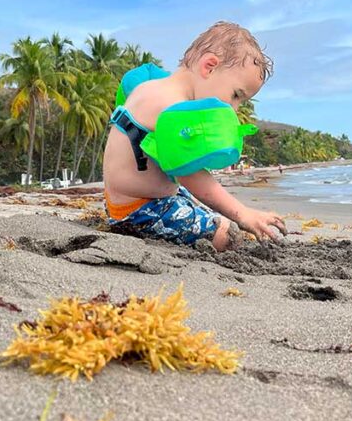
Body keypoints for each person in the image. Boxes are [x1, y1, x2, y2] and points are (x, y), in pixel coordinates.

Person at [103, 21, 286, 250]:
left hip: (129, 203)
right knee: (228, 236)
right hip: (141, 213)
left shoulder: (152, 88)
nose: (234, 109)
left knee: (214, 214)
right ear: (209, 66)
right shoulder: (169, 105)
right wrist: (244, 214)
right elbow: (191, 175)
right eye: (236, 95)